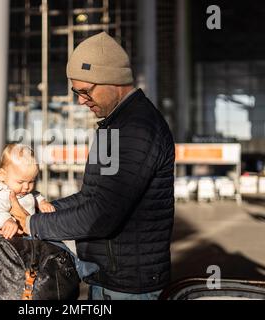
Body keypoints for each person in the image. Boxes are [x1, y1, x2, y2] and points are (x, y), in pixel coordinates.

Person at [9, 32, 175, 300]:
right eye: (77, 92)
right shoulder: (113, 128)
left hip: (131, 289)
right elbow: (90, 197)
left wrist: (32, 224)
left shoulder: (137, 129)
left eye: (85, 91)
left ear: (113, 80)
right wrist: (40, 207)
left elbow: (102, 215)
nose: (80, 100)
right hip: (110, 280)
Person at [0, 143, 54, 241]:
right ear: (3, 175)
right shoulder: (2, 194)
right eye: (21, 182)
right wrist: (7, 220)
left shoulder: (25, 192)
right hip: (2, 233)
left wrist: (42, 202)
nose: (27, 187)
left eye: (31, 181)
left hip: (24, 234)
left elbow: (35, 195)